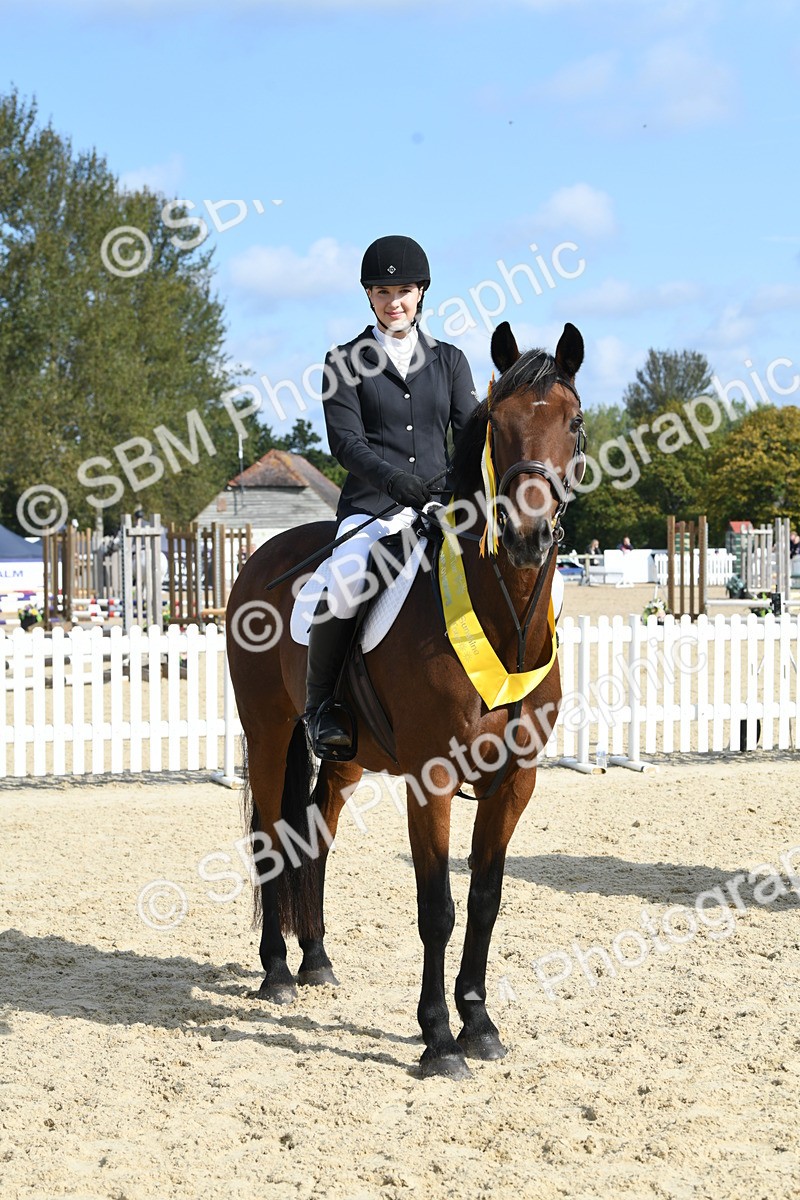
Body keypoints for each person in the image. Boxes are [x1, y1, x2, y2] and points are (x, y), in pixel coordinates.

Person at [305, 235, 478, 757]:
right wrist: (393, 481)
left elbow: (470, 438)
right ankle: (322, 708)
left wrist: (451, 488)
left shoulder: (450, 361)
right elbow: (346, 442)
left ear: (421, 292)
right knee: (344, 581)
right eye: (382, 292)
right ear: (368, 296)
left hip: (440, 512)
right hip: (372, 510)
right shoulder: (343, 361)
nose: (393, 302)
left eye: (403, 291)